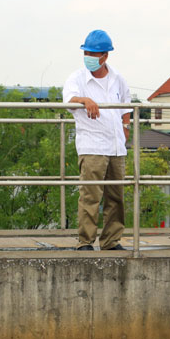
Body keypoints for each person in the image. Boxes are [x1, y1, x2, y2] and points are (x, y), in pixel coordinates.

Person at [62, 29, 132, 251]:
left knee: (116, 197)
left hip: (116, 147)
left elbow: (127, 106)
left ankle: (111, 240)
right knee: (90, 196)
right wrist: (84, 100)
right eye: (87, 53)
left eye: (94, 54)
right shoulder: (77, 78)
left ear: (105, 56)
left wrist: (125, 128)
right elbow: (69, 100)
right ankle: (85, 241)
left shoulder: (117, 78)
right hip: (92, 146)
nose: (89, 57)